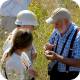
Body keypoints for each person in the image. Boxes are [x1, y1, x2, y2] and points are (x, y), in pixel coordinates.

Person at [43, 8, 80, 80]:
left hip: (71, 76)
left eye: (57, 24)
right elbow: (50, 43)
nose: (55, 27)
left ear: (66, 21)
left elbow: (79, 63)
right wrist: (48, 46)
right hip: (55, 73)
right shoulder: (57, 30)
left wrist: (57, 57)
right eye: (54, 24)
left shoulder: (78, 36)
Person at [3, 10, 38, 80]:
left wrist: (27, 72)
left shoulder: (23, 36)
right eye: (32, 26)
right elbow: (12, 69)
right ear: (24, 25)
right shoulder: (12, 41)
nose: (34, 28)